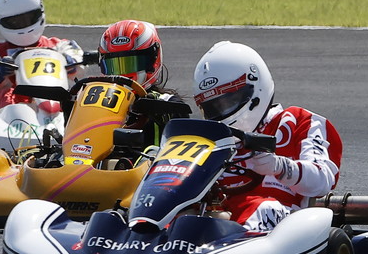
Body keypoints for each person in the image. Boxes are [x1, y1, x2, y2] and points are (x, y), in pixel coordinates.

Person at [192, 41, 343, 232]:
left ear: (254, 85)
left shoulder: (299, 121)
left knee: (262, 209)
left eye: (228, 101)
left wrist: (281, 167)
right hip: (215, 218)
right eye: (213, 107)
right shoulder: (208, 139)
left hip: (283, 223)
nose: (221, 111)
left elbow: (323, 180)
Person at [0, 0, 87, 112]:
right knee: (6, 95)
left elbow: (77, 58)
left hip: (55, 102)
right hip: (12, 111)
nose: (23, 24)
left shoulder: (58, 46)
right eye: (15, 21)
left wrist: (71, 62)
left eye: (29, 18)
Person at [97, 20, 187, 145]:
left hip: (149, 156)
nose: (122, 74)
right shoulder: (98, 101)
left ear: (153, 59)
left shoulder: (168, 103)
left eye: (130, 64)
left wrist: (154, 112)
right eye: (115, 66)